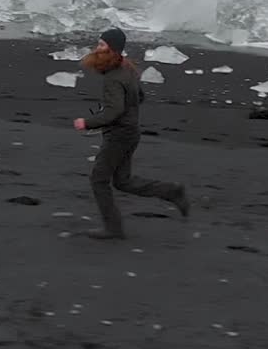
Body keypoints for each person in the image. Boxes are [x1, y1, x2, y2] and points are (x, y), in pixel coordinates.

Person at [73, 28, 189, 240]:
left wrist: (87, 122)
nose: (97, 48)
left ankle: (113, 228)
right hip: (130, 132)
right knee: (122, 181)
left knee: (98, 180)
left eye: (101, 45)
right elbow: (139, 97)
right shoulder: (128, 69)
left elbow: (114, 111)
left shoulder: (114, 77)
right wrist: (120, 112)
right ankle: (172, 191)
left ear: (112, 48)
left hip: (119, 136)